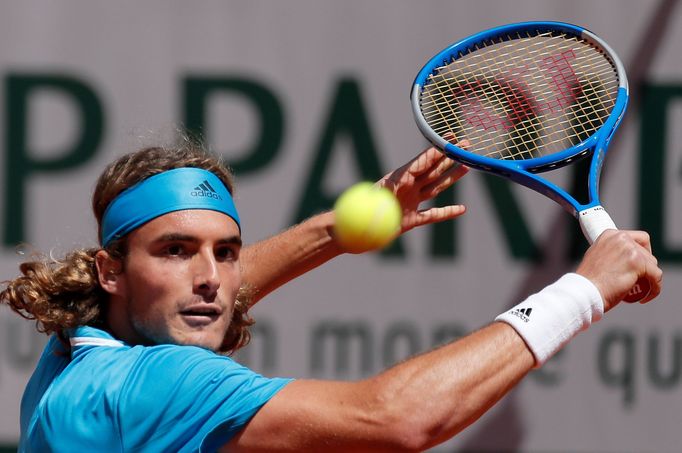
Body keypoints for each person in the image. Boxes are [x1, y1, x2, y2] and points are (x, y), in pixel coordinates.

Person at [1, 137, 662, 452]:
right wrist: (585, 287)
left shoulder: (70, 352)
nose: (209, 276)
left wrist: (338, 228)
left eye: (225, 251)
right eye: (175, 249)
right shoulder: (163, 380)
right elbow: (399, 418)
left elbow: (206, 291)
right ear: (111, 271)